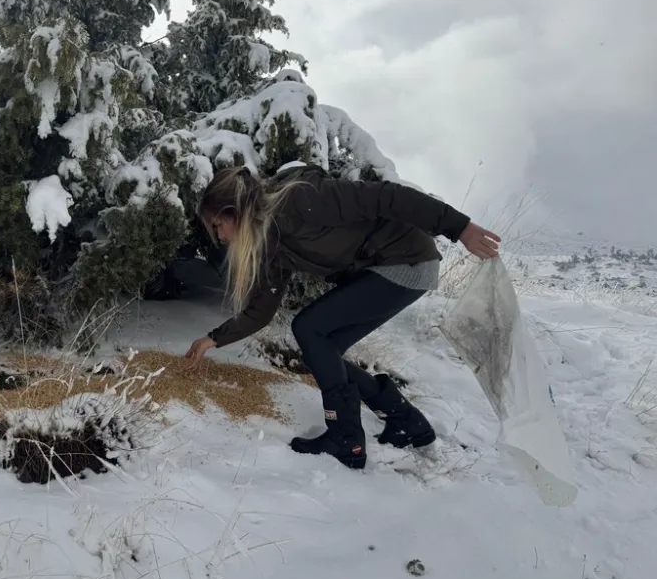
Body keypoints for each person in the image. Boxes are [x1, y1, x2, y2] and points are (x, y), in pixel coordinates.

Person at [184, 163, 501, 470]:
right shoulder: (270, 244)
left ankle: (346, 439)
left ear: (234, 210)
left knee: (309, 329)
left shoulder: (301, 199)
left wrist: (459, 227)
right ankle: (406, 422)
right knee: (323, 350)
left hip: (405, 261)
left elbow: (388, 197)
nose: (220, 237)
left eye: (217, 226)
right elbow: (262, 308)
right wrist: (215, 338)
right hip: (385, 268)